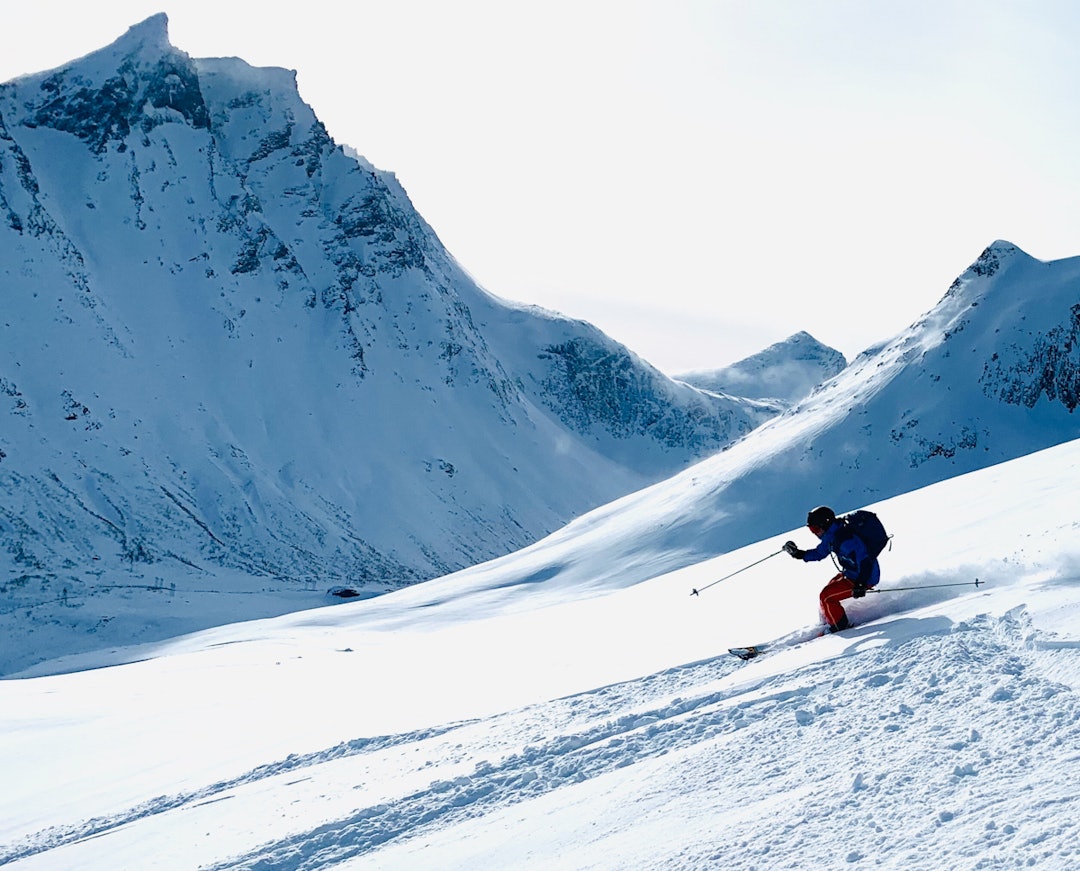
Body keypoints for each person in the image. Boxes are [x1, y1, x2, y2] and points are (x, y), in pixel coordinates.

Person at [782, 505, 880, 633]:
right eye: (812, 529)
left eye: (815, 529)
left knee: (827, 597)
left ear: (825, 524)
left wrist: (861, 583)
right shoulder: (831, 536)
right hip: (851, 573)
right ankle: (829, 619)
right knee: (826, 592)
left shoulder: (846, 539)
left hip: (864, 577)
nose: (815, 533)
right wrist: (799, 554)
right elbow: (819, 553)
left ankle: (840, 627)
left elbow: (865, 560)